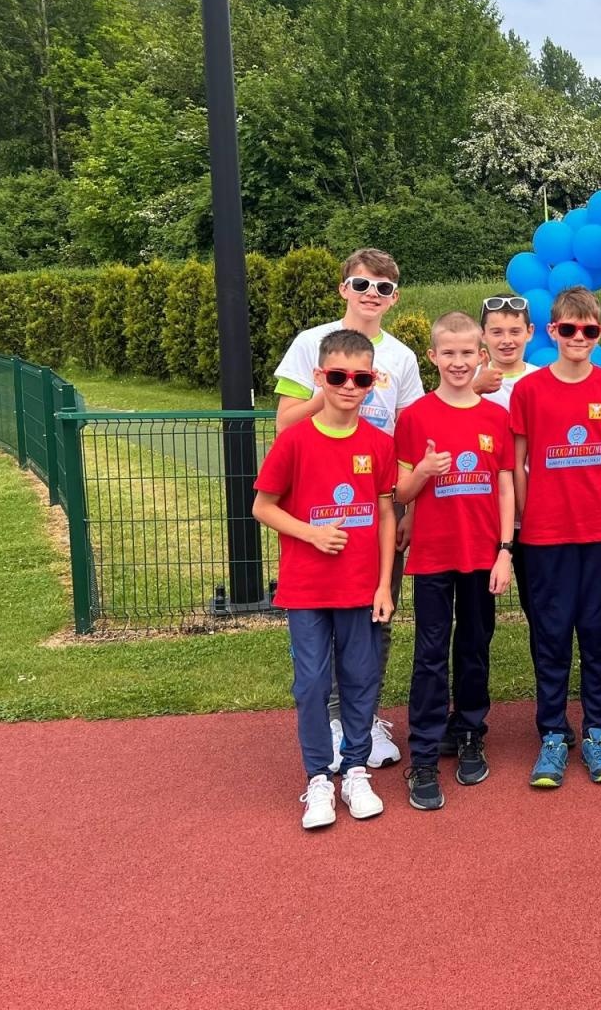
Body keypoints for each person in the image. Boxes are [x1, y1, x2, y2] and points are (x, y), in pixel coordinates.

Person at [272, 248, 424, 772]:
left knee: (375, 614)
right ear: (344, 289)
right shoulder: (311, 343)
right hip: (320, 504)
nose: (371, 296)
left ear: (394, 298)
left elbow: (408, 434)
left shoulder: (402, 358)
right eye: (361, 285)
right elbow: (284, 424)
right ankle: (334, 721)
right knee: (320, 618)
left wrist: (405, 508)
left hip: (380, 502)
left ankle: (364, 717)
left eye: (382, 288)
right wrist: (334, 388)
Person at [253, 329, 397, 829]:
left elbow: (385, 515)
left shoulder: (379, 444)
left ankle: (356, 770)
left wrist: (383, 585)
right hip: (308, 587)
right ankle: (319, 778)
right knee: (311, 684)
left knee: (361, 680)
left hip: (361, 588)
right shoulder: (294, 439)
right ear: (320, 377)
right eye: (338, 376)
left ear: (373, 381)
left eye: (360, 377)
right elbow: (262, 507)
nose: (348, 386)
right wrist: (311, 534)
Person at [509, 287, 601, 789]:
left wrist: (592, 501)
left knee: (595, 633)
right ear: (553, 332)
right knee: (551, 634)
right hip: (543, 534)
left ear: (598, 334)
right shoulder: (528, 391)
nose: (578, 338)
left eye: (588, 331)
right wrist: (529, 513)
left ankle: (597, 730)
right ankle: (552, 733)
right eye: (568, 330)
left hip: (595, 531)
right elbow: (519, 462)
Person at [393, 312, 515, 810]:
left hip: (482, 554)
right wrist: (423, 471)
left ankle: (469, 732)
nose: (459, 362)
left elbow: (505, 484)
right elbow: (401, 490)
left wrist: (505, 551)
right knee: (429, 654)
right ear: (433, 357)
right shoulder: (416, 416)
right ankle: (422, 754)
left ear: (480, 356)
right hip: (433, 556)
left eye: (468, 353)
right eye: (449, 353)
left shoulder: (496, 417)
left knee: (474, 649)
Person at [477, 295, 540, 658]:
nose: (506, 339)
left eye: (515, 331)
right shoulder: (465, 380)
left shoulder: (542, 380)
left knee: (542, 614)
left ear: (529, 333)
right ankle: (471, 712)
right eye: (496, 331)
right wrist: (473, 388)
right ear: (483, 335)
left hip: (534, 519)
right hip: (483, 517)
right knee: (477, 620)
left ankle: (550, 707)